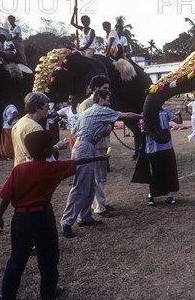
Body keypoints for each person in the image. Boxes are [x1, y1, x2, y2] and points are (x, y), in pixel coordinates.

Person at [0, 130, 108, 300]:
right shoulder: (53, 169)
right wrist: (98, 158)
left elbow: (7, 196)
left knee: (17, 258)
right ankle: (48, 292)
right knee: (48, 257)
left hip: (20, 218)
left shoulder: (18, 170)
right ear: (47, 150)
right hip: (42, 217)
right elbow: (77, 162)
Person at [60, 89, 142, 238]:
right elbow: (127, 116)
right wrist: (144, 115)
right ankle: (66, 222)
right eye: (108, 100)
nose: (109, 103)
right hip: (85, 147)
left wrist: (106, 128)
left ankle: (85, 218)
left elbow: (77, 131)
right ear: (101, 99)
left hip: (84, 146)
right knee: (80, 188)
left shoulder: (87, 112)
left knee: (90, 185)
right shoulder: (101, 110)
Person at [77, 76, 113, 217]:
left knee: (101, 176)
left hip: (103, 143)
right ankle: (99, 206)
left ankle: (99, 203)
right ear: (96, 88)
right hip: (93, 144)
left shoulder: (105, 102)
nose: (107, 91)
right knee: (96, 177)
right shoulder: (86, 104)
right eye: (104, 88)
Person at [145, 106, 182, 206]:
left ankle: (168, 194)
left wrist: (179, 114)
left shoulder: (165, 110)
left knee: (167, 170)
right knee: (154, 172)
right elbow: (142, 128)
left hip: (166, 146)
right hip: (153, 147)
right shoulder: (146, 111)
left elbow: (178, 122)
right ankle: (151, 194)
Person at [11, 92, 59, 167]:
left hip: (19, 169)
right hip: (32, 171)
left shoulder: (17, 124)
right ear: (37, 108)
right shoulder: (35, 127)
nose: (48, 109)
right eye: (47, 106)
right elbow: (42, 155)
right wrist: (58, 146)